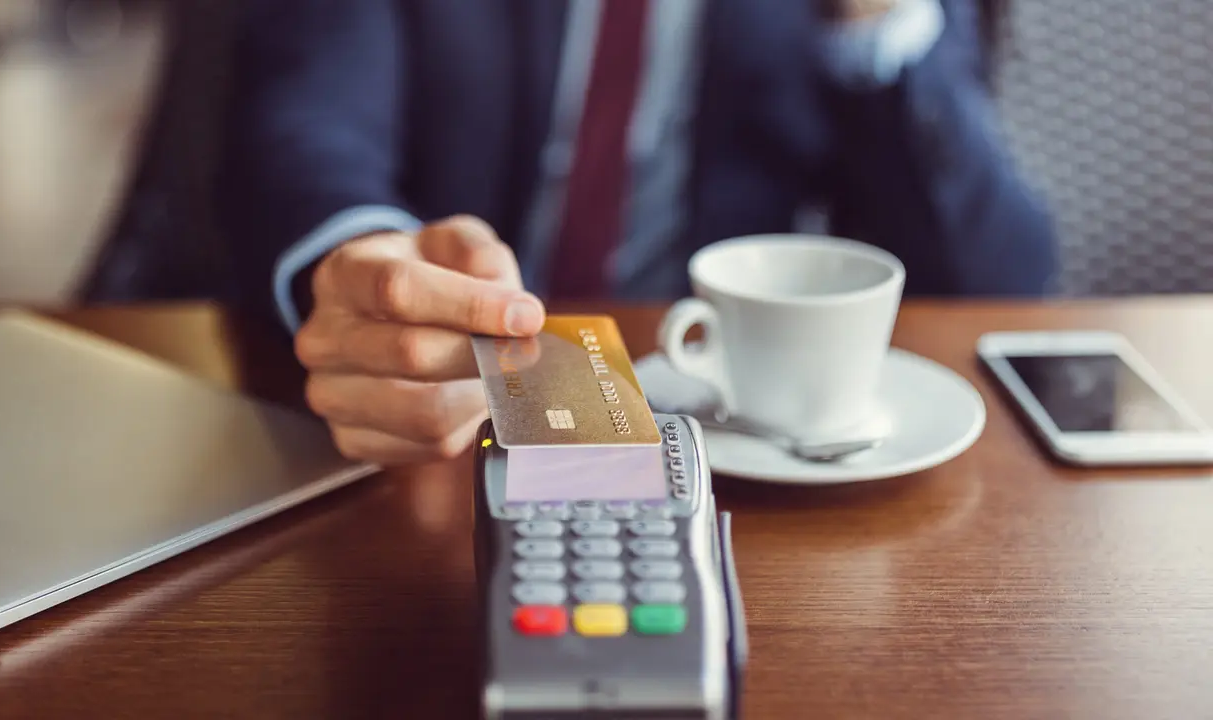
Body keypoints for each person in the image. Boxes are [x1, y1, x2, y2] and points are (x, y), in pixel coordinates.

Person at [216, 0, 1059, 465]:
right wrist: (364, 266)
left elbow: (994, 273)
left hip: (716, 438)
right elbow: (306, 129)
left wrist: (875, 23)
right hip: (436, 424)